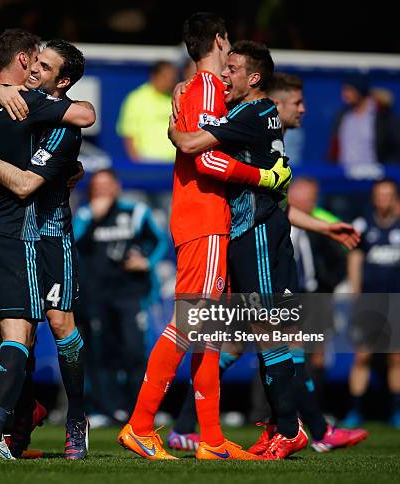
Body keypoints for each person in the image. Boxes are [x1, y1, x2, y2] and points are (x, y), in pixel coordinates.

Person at [118, 14, 291, 462]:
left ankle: (211, 438)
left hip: (206, 217)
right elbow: (206, 163)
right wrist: (265, 177)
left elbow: (197, 142)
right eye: (228, 44)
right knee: (191, 321)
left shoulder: (199, 89)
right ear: (219, 39)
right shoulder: (209, 89)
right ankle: (139, 426)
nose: (231, 57)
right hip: (206, 216)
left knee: (208, 328)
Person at [168, 73, 367, 454]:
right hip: (250, 242)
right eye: (296, 102)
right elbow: (203, 150)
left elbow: (280, 204)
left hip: (268, 242)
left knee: (250, 341)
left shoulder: (267, 135)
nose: (303, 109)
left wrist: (324, 228)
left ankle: (298, 427)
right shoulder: (253, 123)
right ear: (276, 104)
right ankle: (302, 429)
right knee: (264, 336)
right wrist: (179, 103)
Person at [0, 29, 95, 460]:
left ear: (62, 82)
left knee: (58, 324)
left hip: (50, 234)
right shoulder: (11, 97)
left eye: (45, 66)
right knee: (18, 333)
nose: (34, 69)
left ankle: (76, 418)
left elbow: (85, 114)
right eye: (35, 62)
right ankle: (14, 424)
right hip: (13, 235)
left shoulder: (62, 123)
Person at [168, 40, 310, 460]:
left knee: (269, 332)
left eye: (232, 69)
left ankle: (289, 428)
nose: (224, 74)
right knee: (260, 334)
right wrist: (186, 84)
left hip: (257, 232)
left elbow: (193, 145)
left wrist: (173, 127)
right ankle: (278, 426)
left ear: (254, 78)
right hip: (252, 231)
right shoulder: (252, 113)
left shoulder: (252, 112)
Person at [73, 169, 168, 423]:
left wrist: (146, 262)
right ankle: (106, 409)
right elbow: (72, 243)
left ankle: (141, 410)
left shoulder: (135, 212)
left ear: (116, 186)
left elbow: (160, 241)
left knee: (135, 351)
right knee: (101, 353)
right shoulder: (84, 215)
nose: (103, 189)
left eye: (107, 184)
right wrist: (94, 218)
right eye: (98, 185)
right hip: (95, 297)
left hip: (131, 294)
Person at [344, 178, 400, 429]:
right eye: (380, 194)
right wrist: (357, 295)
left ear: (395, 198)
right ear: (374, 198)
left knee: (396, 357)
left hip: (395, 301)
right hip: (370, 302)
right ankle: (355, 410)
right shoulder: (362, 225)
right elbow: (354, 261)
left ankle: (397, 411)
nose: (384, 199)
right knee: (362, 355)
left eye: (389, 194)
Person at [328, 75, 400, 166]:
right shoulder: (342, 116)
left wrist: (385, 171)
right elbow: (334, 150)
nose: (344, 95)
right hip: (343, 176)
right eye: (343, 90)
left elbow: (398, 148)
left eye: (348, 90)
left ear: (360, 90)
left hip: (374, 177)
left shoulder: (383, 115)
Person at [116, 61, 178, 163]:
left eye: (172, 77)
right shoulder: (136, 98)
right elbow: (128, 134)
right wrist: (138, 164)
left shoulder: (176, 98)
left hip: (174, 162)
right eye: (165, 77)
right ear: (154, 76)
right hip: (147, 161)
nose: (170, 81)